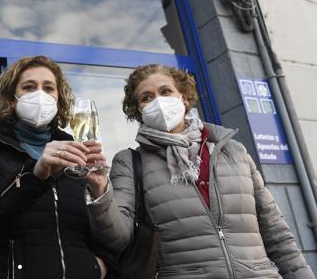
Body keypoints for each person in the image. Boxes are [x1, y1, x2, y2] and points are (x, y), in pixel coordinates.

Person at [86, 64, 315, 279]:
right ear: (139, 111)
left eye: (166, 92)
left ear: (184, 99)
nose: (158, 102)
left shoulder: (233, 151)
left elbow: (277, 234)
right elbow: (117, 238)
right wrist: (100, 192)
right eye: (147, 98)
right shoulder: (130, 161)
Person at [0, 55, 109, 279]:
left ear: (58, 100)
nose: (40, 94)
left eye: (49, 88)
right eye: (29, 87)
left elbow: (99, 232)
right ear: (12, 98)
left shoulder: (75, 153)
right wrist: (33, 175)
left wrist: (101, 265)